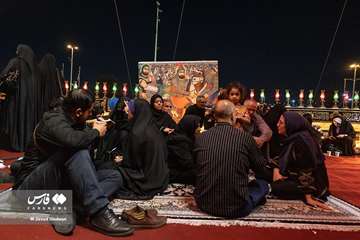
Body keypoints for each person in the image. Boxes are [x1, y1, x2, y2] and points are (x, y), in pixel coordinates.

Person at [11, 89, 134, 236]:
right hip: (30, 189)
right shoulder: (53, 120)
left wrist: (94, 129)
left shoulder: (73, 118)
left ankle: (72, 207)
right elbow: (73, 140)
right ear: (78, 112)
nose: (91, 115)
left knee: (115, 176)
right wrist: (95, 132)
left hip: (59, 184)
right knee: (76, 150)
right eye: (89, 112)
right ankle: (98, 212)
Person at [194, 100, 269, 218]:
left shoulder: (200, 138)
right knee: (262, 184)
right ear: (233, 115)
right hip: (238, 208)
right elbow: (261, 168)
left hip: (204, 203)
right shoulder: (245, 138)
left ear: (214, 116)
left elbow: (197, 168)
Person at [270, 112, 331, 210]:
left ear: (291, 125)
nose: (277, 125)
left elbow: (307, 170)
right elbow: (280, 156)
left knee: (276, 188)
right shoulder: (292, 138)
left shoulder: (301, 142)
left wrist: (308, 197)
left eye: (281, 123)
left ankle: (305, 193)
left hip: (313, 184)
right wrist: (276, 170)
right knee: (264, 172)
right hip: (295, 175)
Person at [116, 99, 169, 199]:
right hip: (160, 177)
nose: (127, 113)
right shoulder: (153, 127)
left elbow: (132, 163)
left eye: (129, 111)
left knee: (112, 170)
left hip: (146, 179)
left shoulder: (137, 132)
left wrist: (121, 162)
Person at [0, 44, 41, 151]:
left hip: (16, 100)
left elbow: (3, 76)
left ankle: (15, 143)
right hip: (31, 102)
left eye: (18, 51)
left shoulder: (15, 62)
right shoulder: (35, 68)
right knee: (28, 121)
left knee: (16, 120)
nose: (16, 53)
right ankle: (27, 144)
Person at [167, 115, 201, 184]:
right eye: (197, 126)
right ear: (190, 126)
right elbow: (187, 163)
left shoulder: (184, 136)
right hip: (173, 172)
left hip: (180, 168)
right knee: (201, 174)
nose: (199, 129)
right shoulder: (179, 140)